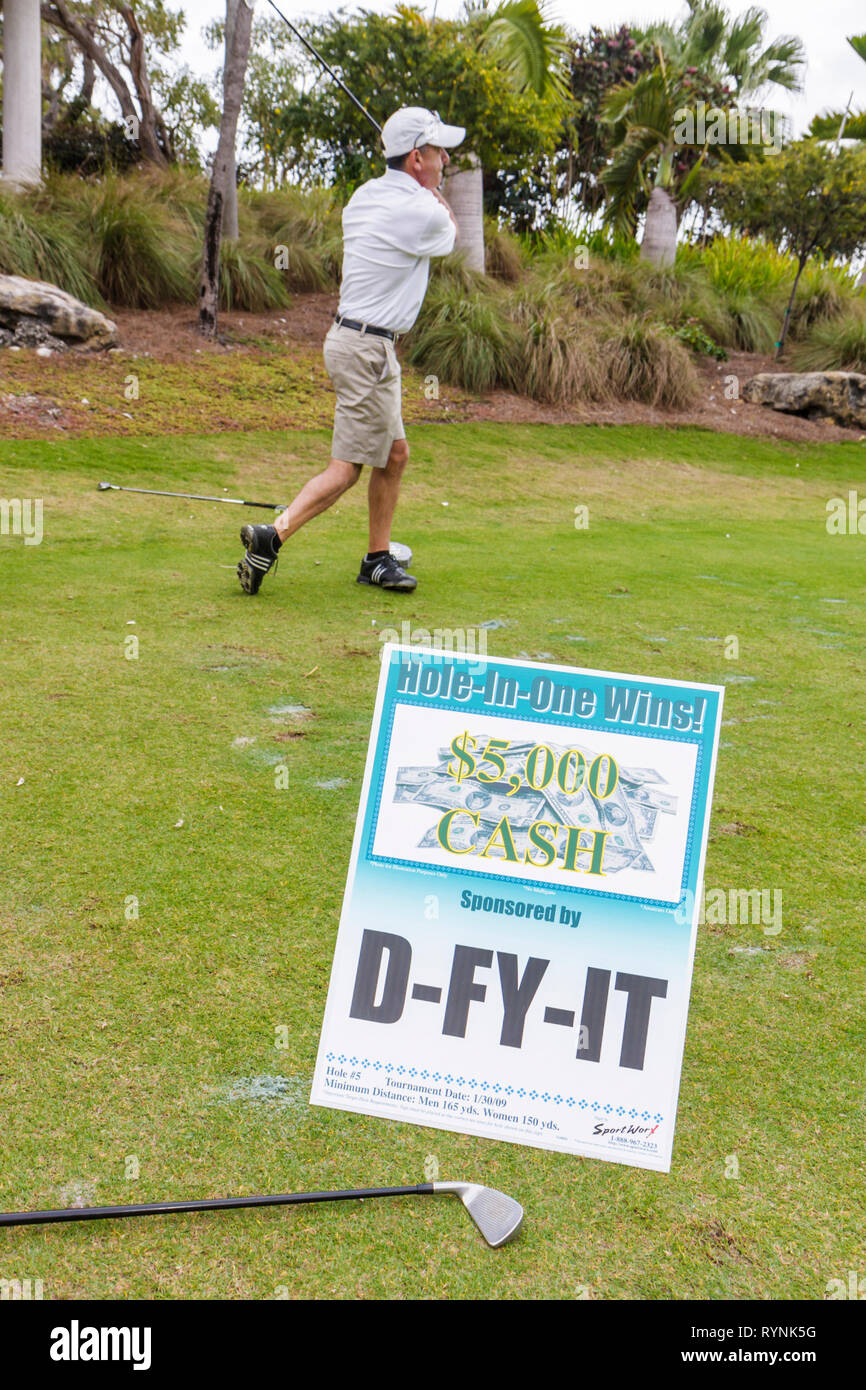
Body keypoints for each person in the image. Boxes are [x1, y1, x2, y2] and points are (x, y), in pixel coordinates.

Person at [236, 106, 464, 596]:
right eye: (438, 151)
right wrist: (436, 195)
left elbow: (420, 209)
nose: (446, 158)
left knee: (395, 454)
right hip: (366, 349)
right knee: (346, 470)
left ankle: (377, 559)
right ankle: (270, 538)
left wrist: (424, 186)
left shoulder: (364, 196)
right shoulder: (419, 210)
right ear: (417, 158)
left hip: (361, 343)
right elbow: (451, 232)